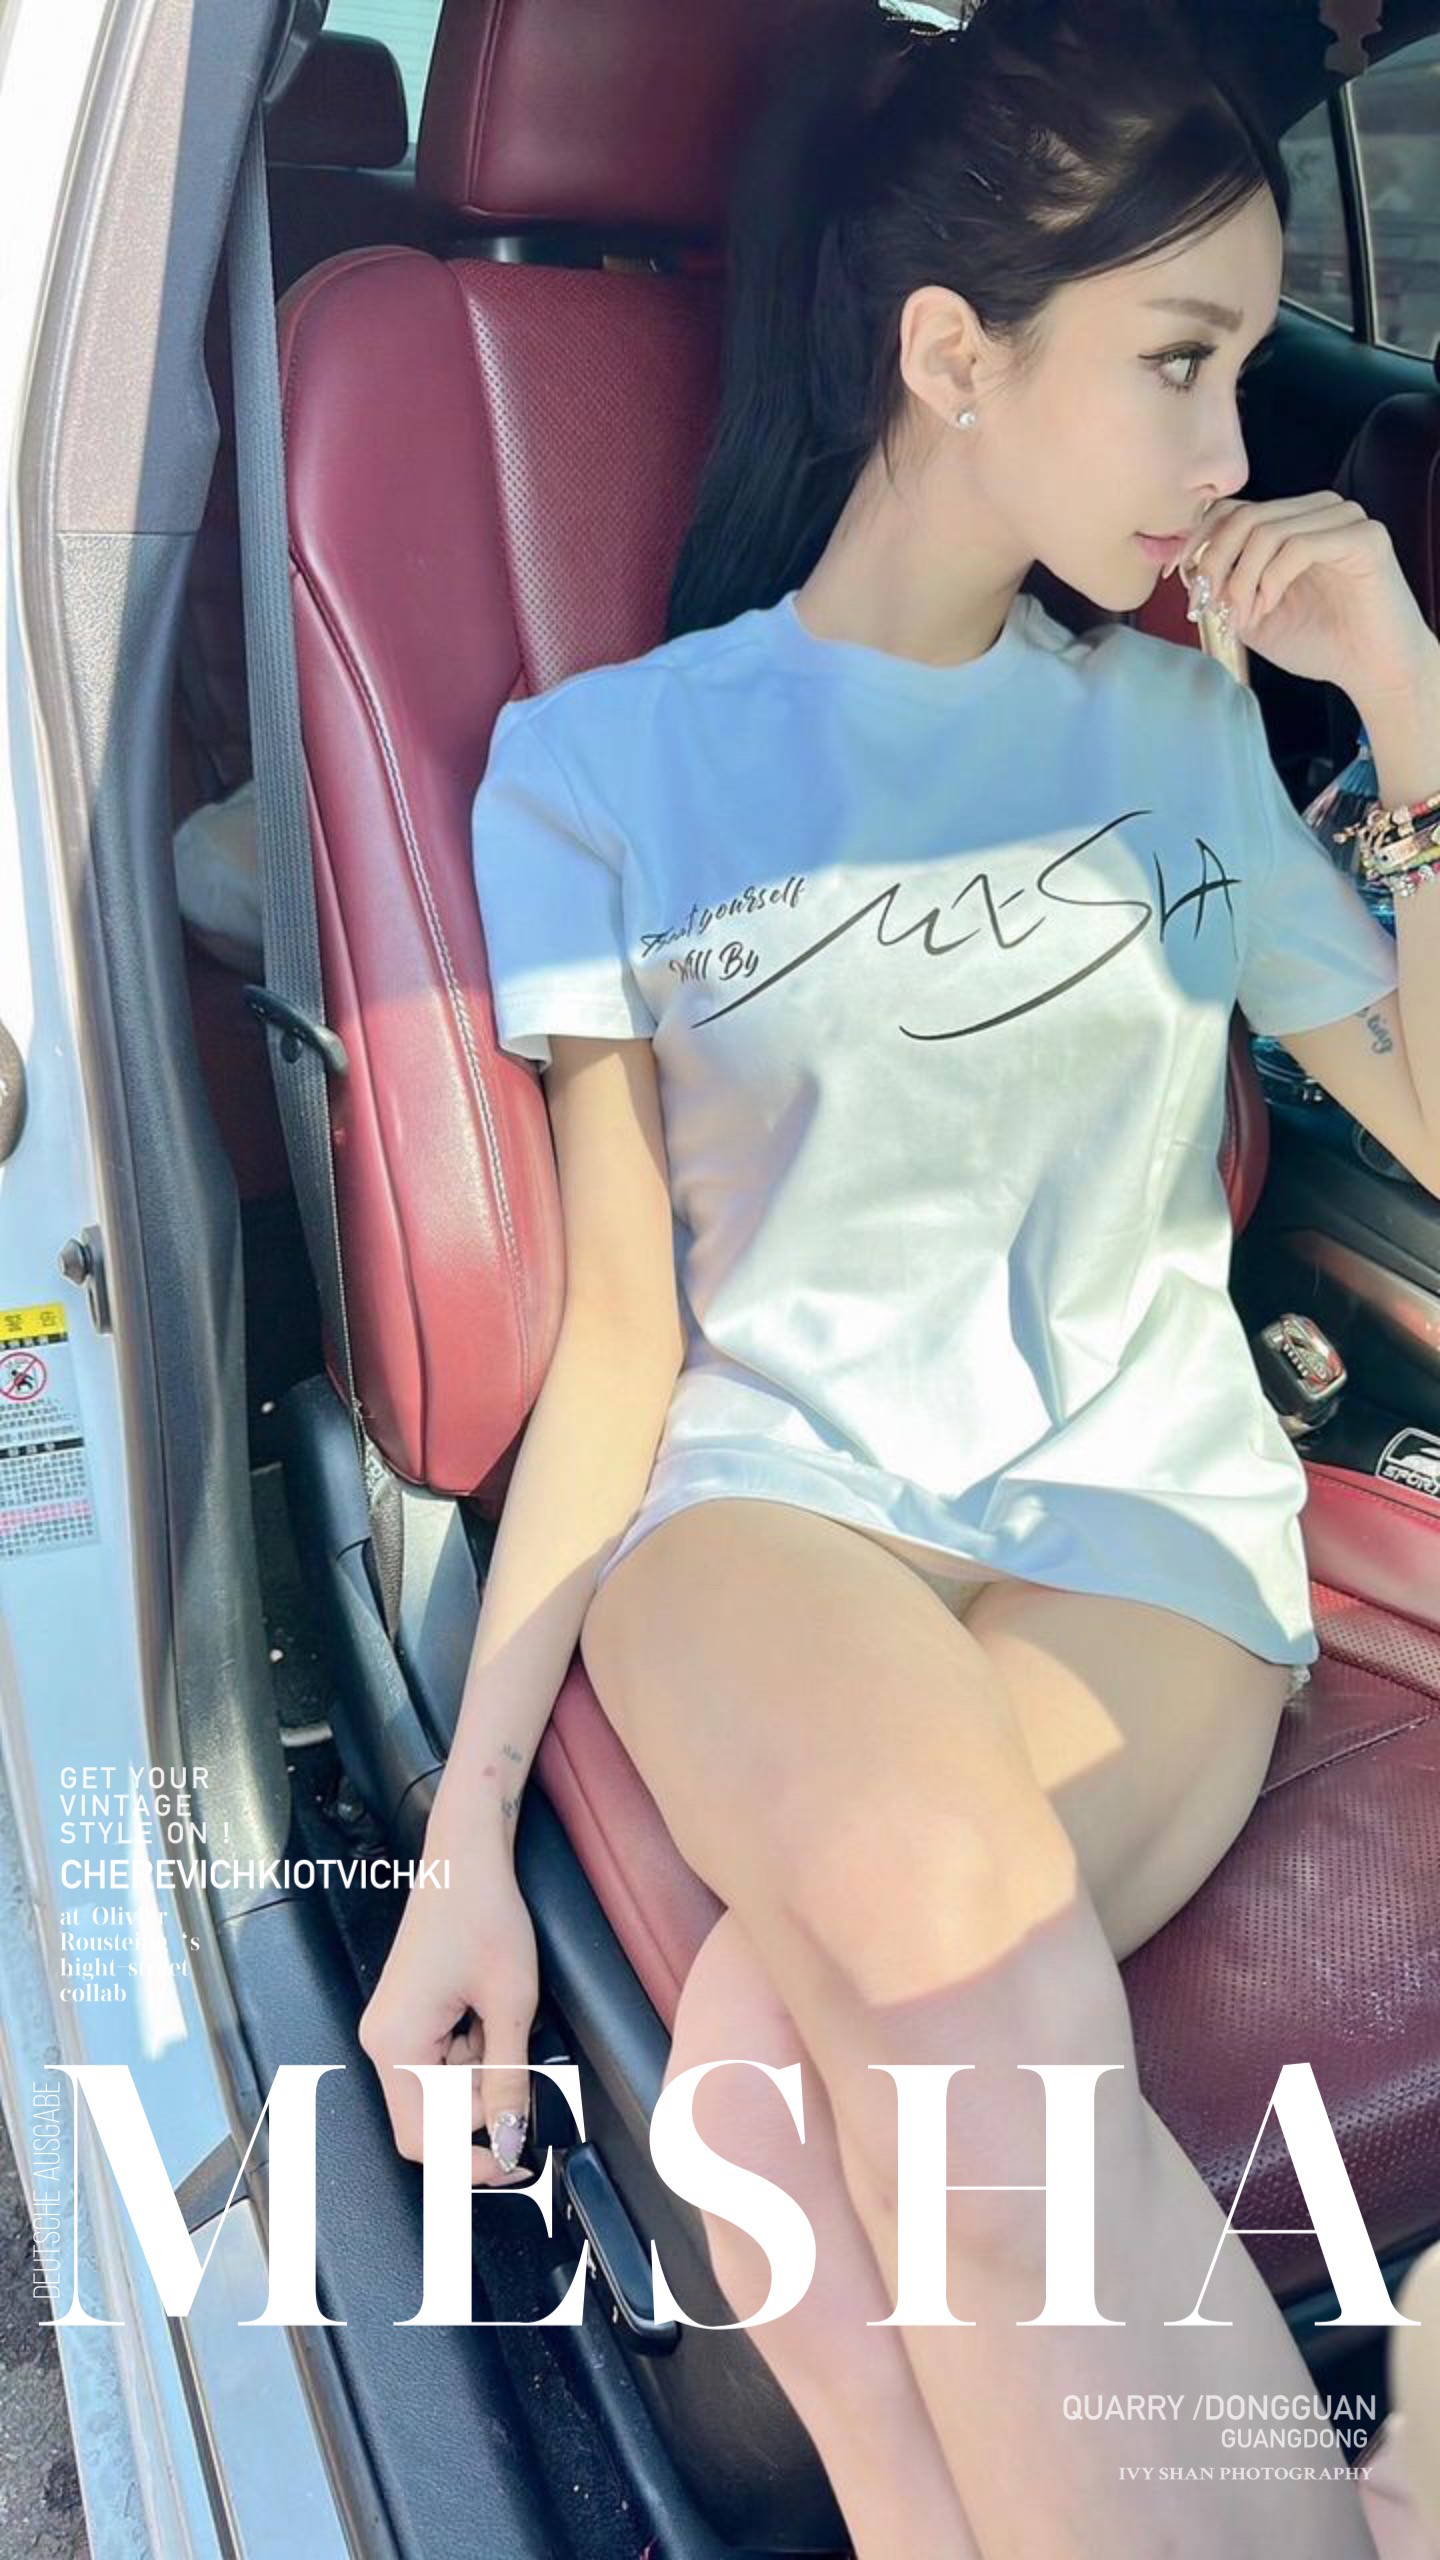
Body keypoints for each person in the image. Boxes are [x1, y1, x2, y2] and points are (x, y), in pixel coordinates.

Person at [358, 2, 1440, 2551]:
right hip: (777, 1520)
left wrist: (1411, 701)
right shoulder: (606, 767)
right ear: (955, 356)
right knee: (958, 1974)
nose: (1229, 453)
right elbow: (628, 1331)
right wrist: (458, 1842)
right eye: (1178, 363)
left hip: (1141, 1525)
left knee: (767, 2088)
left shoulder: (1178, 736)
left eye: (1242, 370)